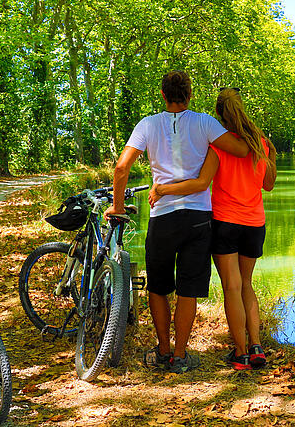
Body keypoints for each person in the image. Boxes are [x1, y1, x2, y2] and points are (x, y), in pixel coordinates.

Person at [106, 71, 248, 373]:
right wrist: (219, 138)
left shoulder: (148, 124)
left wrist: (118, 207)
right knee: (188, 288)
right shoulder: (205, 123)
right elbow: (241, 149)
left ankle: (163, 351)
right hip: (198, 217)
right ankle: (181, 355)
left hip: (162, 216)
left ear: (162, 94)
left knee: (158, 287)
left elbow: (121, 169)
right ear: (190, 94)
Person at [148, 87, 276, 370]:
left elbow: (201, 183)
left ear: (219, 114)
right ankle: (256, 347)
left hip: (226, 222)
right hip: (255, 223)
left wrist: (163, 189)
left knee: (231, 287)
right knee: (246, 285)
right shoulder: (262, 144)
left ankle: (240, 353)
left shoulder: (218, 147)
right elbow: (268, 184)